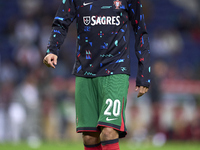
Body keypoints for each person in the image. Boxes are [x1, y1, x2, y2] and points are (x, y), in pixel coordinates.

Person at [43, 0, 151, 149]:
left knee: (108, 131)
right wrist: (52, 49)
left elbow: (140, 31)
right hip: (85, 71)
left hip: (115, 69)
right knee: (89, 137)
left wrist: (144, 71)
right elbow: (61, 21)